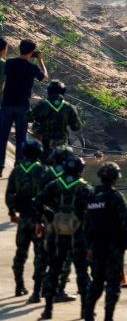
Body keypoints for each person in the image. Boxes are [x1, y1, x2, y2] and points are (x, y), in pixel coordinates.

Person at [34, 155, 92, 320]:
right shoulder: (85, 188)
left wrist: (46, 216)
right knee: (82, 273)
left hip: (58, 235)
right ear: (80, 171)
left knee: (53, 271)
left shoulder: (54, 185)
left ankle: (48, 310)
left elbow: (37, 201)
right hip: (78, 236)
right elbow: (92, 214)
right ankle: (85, 312)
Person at [83, 162, 127, 321]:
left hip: (97, 247)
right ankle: (108, 317)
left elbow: (86, 225)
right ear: (115, 178)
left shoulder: (91, 197)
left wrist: (88, 246)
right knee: (113, 284)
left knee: (96, 282)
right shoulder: (115, 197)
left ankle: (88, 314)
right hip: (114, 248)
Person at [7, 137, 47, 300]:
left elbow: (10, 192)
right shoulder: (41, 170)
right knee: (40, 254)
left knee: (20, 253)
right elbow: (46, 195)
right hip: (38, 218)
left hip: (23, 217)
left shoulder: (17, 170)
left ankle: (19, 285)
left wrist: (11, 212)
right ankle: (38, 289)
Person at [1, 39, 48, 172]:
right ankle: (19, 166)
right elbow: (44, 77)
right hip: (23, 106)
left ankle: (0, 166)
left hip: (7, 105)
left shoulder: (9, 63)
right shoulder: (32, 68)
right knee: (21, 138)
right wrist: (40, 60)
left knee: (2, 137)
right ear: (32, 52)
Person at [25, 81, 81, 155]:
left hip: (43, 142)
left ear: (49, 91)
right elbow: (76, 127)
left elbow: (28, 117)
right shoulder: (68, 107)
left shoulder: (42, 105)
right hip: (61, 143)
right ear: (63, 92)